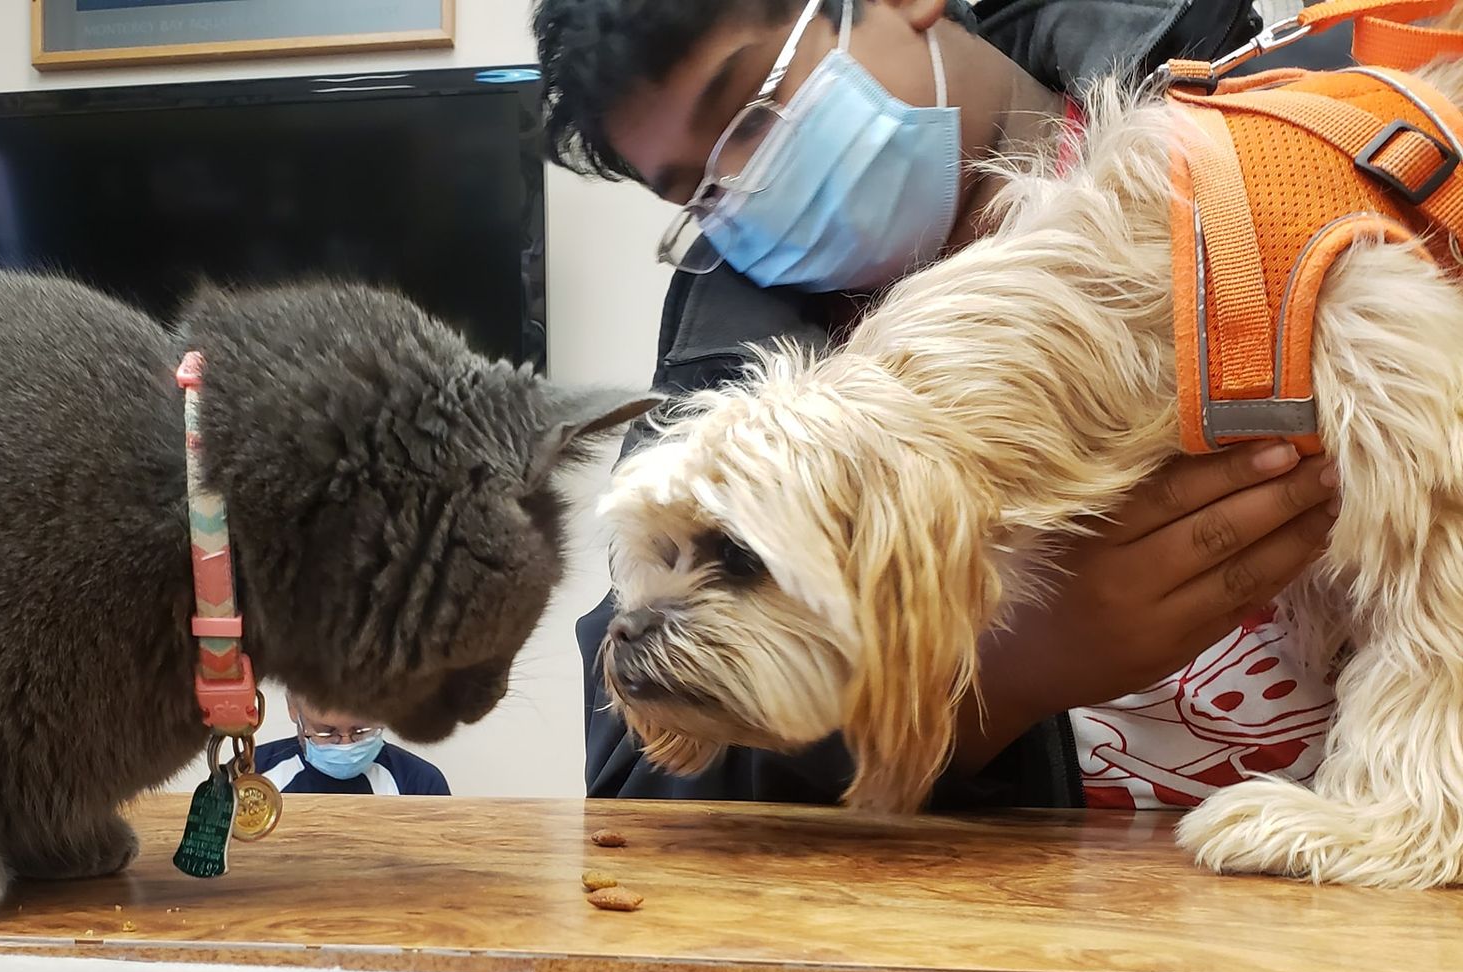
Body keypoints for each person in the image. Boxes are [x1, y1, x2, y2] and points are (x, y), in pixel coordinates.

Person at [535, 0, 1355, 810]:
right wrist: (990, 681)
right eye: (700, 194)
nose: (745, 191)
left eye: (751, 114)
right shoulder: (734, 353)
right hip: (1027, 921)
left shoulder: (1302, 132)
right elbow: (638, 784)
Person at [253, 697, 452, 796]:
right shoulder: (253, 775)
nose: (346, 744)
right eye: (328, 732)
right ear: (294, 709)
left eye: (360, 731)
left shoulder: (418, 784)